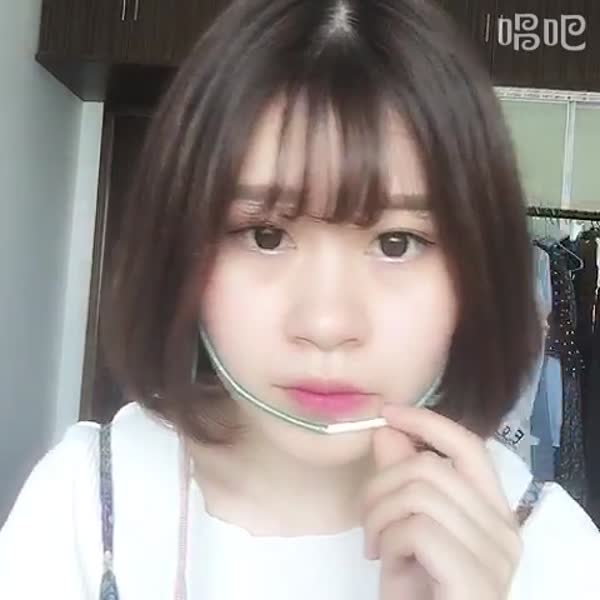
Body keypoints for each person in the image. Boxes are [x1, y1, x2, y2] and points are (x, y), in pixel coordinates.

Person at [1, 0, 599, 598]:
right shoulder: (83, 505)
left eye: (396, 243)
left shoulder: (555, 552)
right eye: (265, 236)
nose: (326, 323)